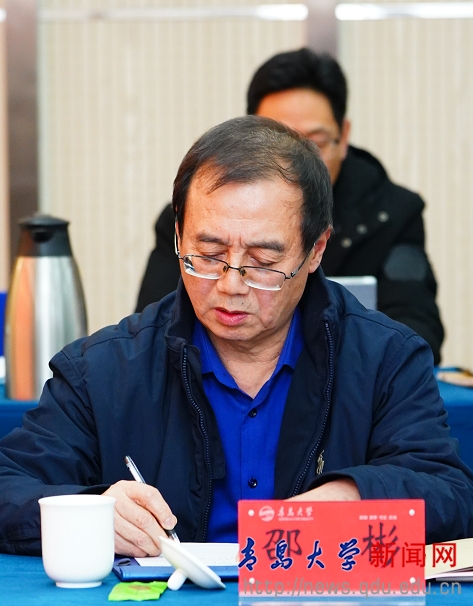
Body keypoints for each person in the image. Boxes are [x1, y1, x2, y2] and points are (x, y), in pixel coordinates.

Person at [0, 117, 471, 559]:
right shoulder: (102, 370)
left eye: (263, 262)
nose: (231, 284)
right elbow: (10, 486)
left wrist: (353, 497)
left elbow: (451, 494)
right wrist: (91, 511)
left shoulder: (385, 359)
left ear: (316, 250)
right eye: (208, 254)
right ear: (179, 235)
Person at [136, 49, 444, 364]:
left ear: (344, 137)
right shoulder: (198, 217)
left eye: (314, 142)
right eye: (277, 141)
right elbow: (156, 331)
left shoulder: (393, 214)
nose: (297, 162)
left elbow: (416, 332)